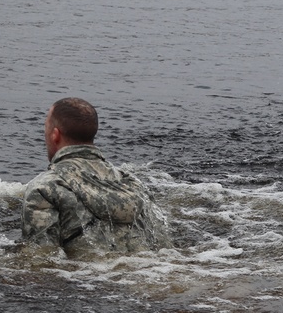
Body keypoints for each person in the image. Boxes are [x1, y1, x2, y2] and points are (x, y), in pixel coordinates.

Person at [21, 97, 171, 256]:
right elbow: (163, 248)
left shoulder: (44, 189)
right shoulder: (131, 183)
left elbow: (41, 260)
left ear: (55, 135)